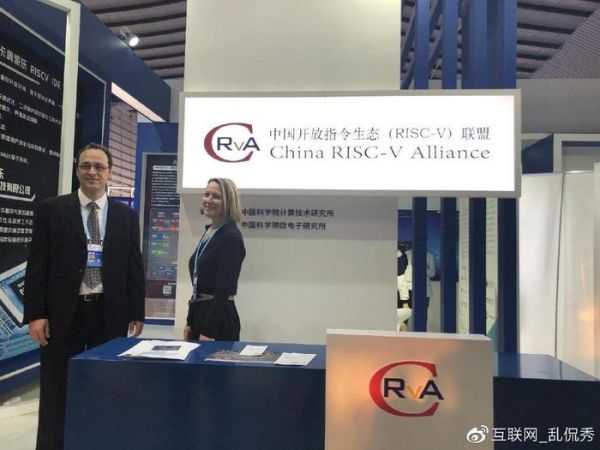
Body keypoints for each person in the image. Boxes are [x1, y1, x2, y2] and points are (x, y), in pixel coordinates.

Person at [24, 143, 145, 450]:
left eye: (99, 166)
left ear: (110, 173)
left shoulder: (125, 216)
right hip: (64, 315)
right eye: (86, 165)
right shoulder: (52, 210)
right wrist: (36, 314)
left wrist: (137, 311)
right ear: (77, 170)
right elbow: (37, 265)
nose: (92, 171)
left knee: (108, 387)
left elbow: (133, 265)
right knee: (56, 390)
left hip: (108, 313)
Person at [184, 178, 245, 341]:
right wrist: (190, 320)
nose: (209, 200)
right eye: (207, 194)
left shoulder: (231, 237)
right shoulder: (211, 232)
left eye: (216, 196)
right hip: (200, 315)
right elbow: (198, 285)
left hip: (218, 323)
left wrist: (209, 331)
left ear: (228, 202)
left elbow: (222, 290)